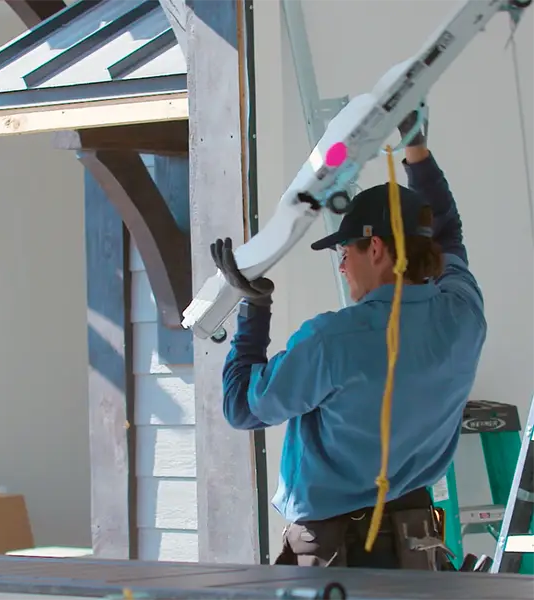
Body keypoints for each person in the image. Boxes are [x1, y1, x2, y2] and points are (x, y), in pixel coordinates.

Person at [209, 112, 487, 570]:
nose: (341, 267)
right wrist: (416, 148)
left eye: (344, 253)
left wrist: (253, 309)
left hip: (341, 559)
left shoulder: (333, 341)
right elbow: (447, 231)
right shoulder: (463, 313)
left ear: (374, 248)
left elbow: (241, 406)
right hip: (419, 552)